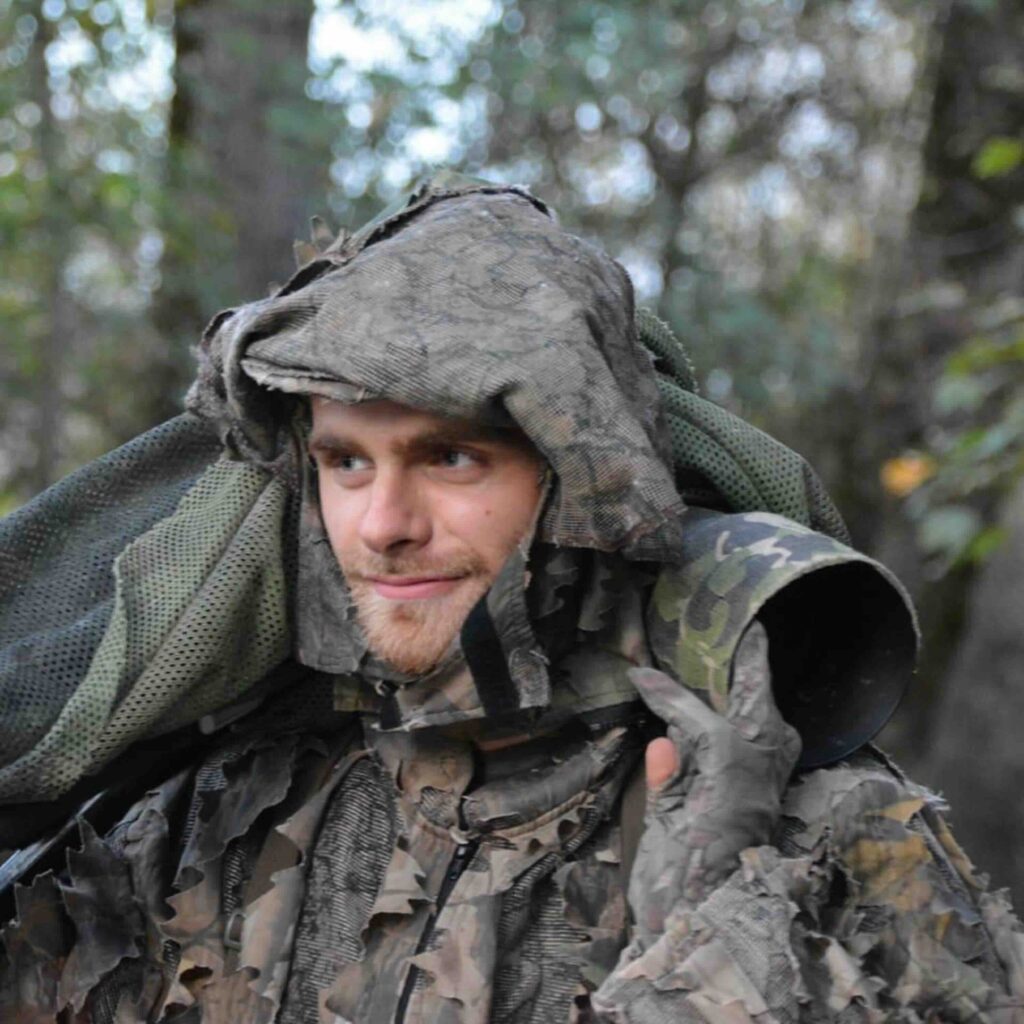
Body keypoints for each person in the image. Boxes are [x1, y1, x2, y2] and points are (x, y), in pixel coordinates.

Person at [1, 173, 1022, 1023]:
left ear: (580, 482)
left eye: (449, 457)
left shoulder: (826, 836)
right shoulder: (214, 817)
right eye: (346, 462)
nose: (382, 524)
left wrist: (723, 939)